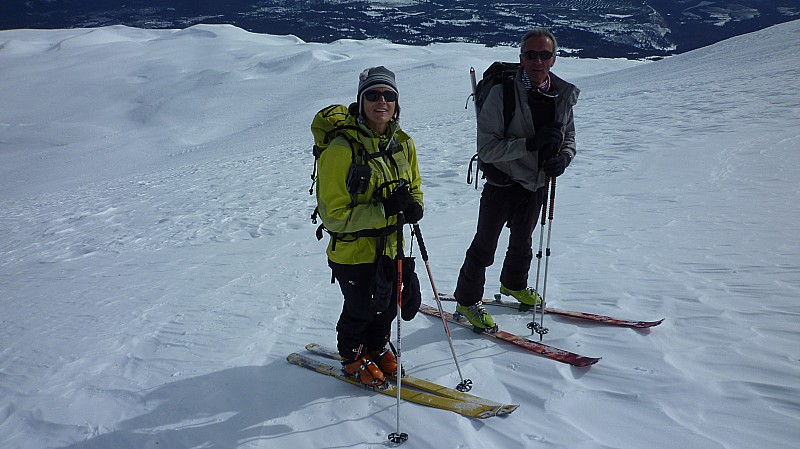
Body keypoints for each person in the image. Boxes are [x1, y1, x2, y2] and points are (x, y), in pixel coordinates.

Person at [453, 28, 580, 331]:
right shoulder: (503, 94)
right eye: (531, 55)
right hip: (503, 182)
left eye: (544, 55)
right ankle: (467, 300)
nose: (537, 61)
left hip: (537, 183)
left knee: (523, 241)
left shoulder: (561, 95)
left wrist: (564, 158)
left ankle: (514, 284)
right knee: (484, 246)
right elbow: (487, 148)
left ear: (553, 59)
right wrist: (530, 144)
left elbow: (569, 137)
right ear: (521, 58)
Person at [315, 66, 424, 386]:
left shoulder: (403, 143)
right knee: (361, 307)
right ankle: (352, 357)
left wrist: (414, 205)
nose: (382, 101)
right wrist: (385, 209)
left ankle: (376, 348)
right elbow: (333, 214)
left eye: (388, 96)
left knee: (387, 305)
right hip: (353, 251)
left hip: (391, 245)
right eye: (373, 95)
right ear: (361, 101)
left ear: (396, 103)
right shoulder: (340, 150)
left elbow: (414, 184)